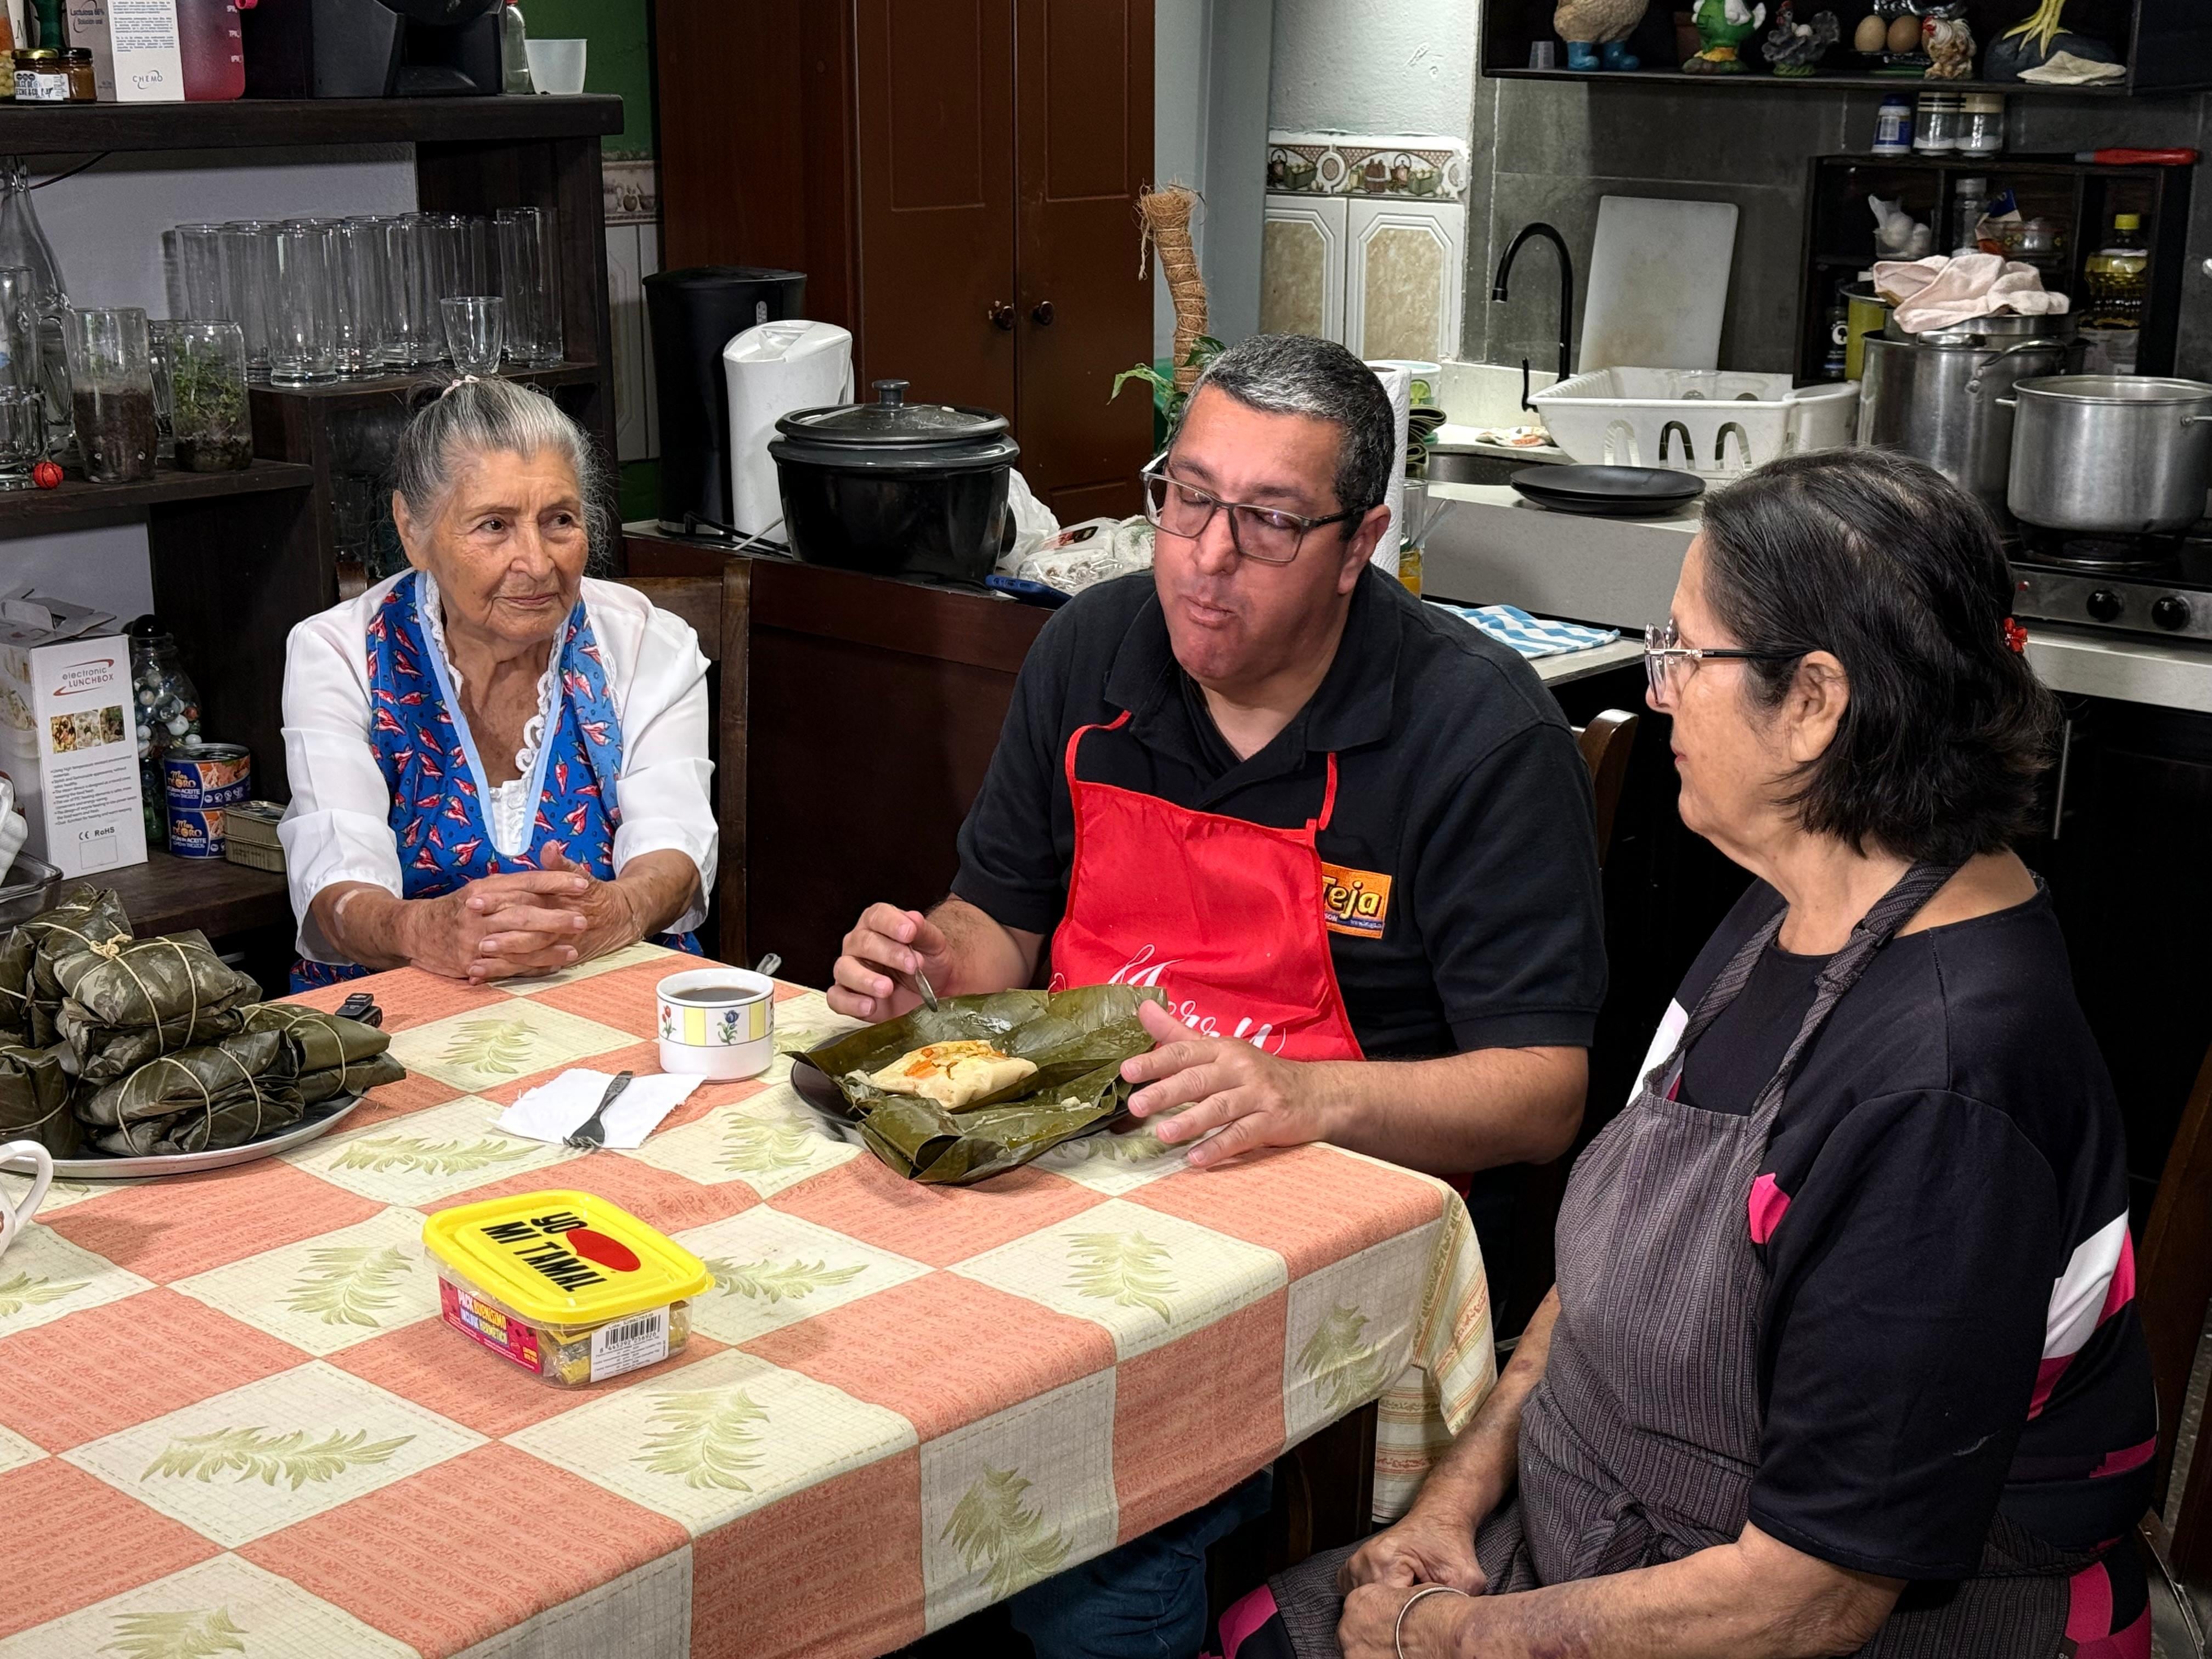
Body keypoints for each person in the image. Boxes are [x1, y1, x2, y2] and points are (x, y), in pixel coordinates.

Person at [1223, 449, 2157, 1659]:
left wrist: (1448, 1638)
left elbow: (1808, 1598)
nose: (1658, 693)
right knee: (1260, 1626)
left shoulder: (1945, 1088)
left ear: (1815, 702)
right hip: (1613, 1525)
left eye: (1682, 654)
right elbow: (1618, 1275)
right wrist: (1456, 1499)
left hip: (1811, 1621)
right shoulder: (1797, 897)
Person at [828, 332, 1609, 1658]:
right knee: (850, 1391)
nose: (1204, 555)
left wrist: (1302, 1095)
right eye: (1185, 498)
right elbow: (1000, 927)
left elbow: (1544, 1096)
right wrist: (932, 962)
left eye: (1267, 521)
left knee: (1102, 1508)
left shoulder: (1472, 734)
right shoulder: (1090, 653)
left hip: (1311, 1244)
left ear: (1360, 544)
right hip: (1063, 1174)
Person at [280, 379, 715, 989]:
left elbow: (674, 843)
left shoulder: (645, 641)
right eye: (493, 525)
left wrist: (616, 912)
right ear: (413, 530)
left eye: (559, 520)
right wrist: (422, 931)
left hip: (607, 981)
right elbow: (336, 880)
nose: (537, 563)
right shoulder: (341, 652)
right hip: (408, 1000)